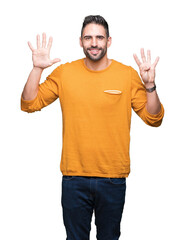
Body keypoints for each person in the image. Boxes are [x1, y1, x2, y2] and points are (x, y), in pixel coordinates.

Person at [21, 15, 164, 240]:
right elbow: (29, 103)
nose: (94, 43)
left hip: (113, 177)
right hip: (73, 177)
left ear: (109, 41)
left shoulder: (126, 75)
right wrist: (37, 68)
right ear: (80, 41)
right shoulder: (65, 73)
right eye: (88, 38)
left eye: (99, 37)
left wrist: (149, 86)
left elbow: (153, 118)